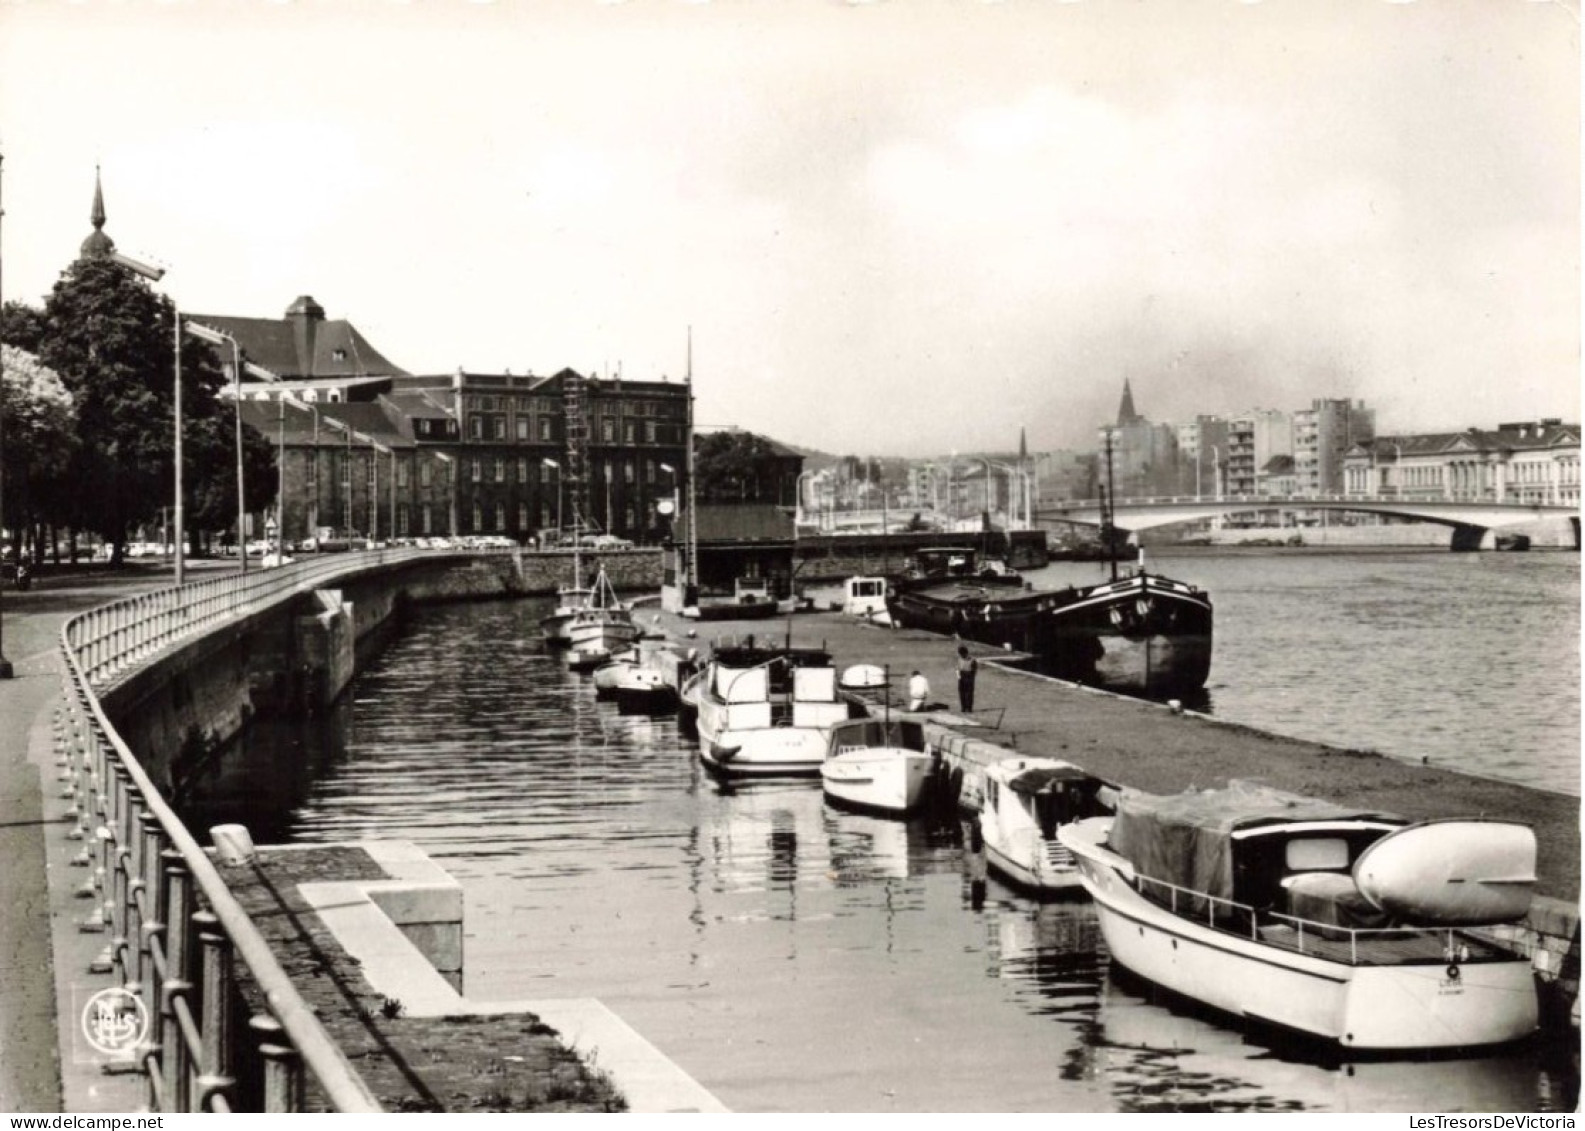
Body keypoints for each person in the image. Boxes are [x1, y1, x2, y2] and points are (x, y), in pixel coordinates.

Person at [956, 645, 978, 713]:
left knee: (969, 693)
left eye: (962, 654)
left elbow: (974, 670)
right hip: (961, 676)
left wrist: (971, 678)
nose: (961, 655)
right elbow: (957, 668)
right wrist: (958, 676)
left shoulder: (972, 660)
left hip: (969, 676)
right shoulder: (959, 659)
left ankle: (969, 708)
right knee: (961, 693)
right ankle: (963, 707)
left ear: (965, 653)